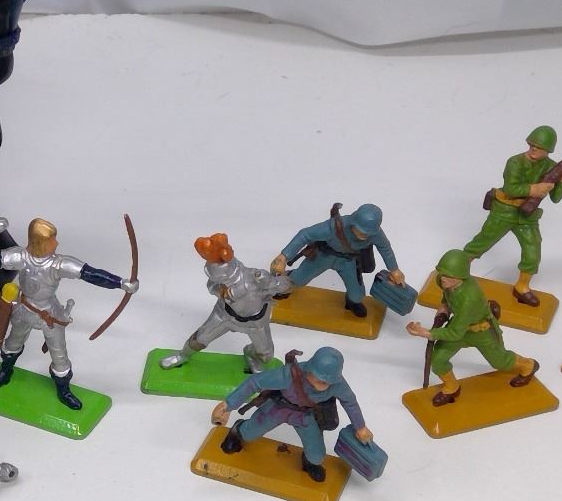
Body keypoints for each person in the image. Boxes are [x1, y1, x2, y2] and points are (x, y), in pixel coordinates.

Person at [0, 216, 136, 409]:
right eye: (52, 240)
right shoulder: (21, 257)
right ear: (40, 242)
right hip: (24, 309)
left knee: (59, 356)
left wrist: (120, 283)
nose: (56, 243)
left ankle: (64, 391)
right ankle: (5, 370)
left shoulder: (58, 264)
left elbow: (90, 274)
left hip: (50, 315)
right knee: (12, 343)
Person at [211, 346, 372, 482]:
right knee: (248, 434)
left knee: (316, 456)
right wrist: (228, 405)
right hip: (277, 408)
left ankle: (308, 463)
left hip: (305, 416)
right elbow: (255, 382)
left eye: (328, 382)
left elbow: (350, 401)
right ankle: (236, 431)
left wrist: (361, 427)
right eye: (319, 379)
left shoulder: (337, 384)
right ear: (310, 369)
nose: (324, 385)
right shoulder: (289, 374)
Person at [463, 125, 562, 305]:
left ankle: (522, 286)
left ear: (548, 150)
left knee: (533, 251)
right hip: (504, 211)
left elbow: (556, 198)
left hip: (527, 217)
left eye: (538, 147)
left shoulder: (552, 167)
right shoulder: (515, 162)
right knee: (482, 242)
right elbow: (510, 188)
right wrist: (534, 189)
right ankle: (458, 271)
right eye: (531, 145)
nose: (533, 149)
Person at [406, 250, 539, 404]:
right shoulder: (444, 281)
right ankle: (452, 387)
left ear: (461, 276)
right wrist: (444, 308)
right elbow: (447, 296)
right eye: (442, 273)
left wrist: (427, 333)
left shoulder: (469, 299)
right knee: (438, 360)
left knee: (500, 362)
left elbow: (455, 333)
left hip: (482, 332)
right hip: (461, 326)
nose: (443, 279)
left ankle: (528, 366)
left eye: (448, 276)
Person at [160, 232, 292, 375]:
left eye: (223, 278)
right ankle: (183, 355)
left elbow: (286, 285)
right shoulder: (218, 282)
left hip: (255, 322)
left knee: (266, 354)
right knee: (200, 338)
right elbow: (211, 286)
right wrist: (221, 291)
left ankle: (251, 355)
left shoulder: (255, 279)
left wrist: (270, 282)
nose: (220, 281)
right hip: (224, 316)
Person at [278, 203, 405, 316]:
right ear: (353, 222)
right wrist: (284, 256)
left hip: (347, 261)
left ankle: (352, 303)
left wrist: (394, 269)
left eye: (367, 233)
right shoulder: (335, 226)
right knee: (298, 279)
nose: (364, 235)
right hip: (323, 256)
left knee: (357, 295)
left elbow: (385, 248)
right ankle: (286, 281)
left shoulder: (375, 233)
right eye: (360, 231)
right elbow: (305, 235)